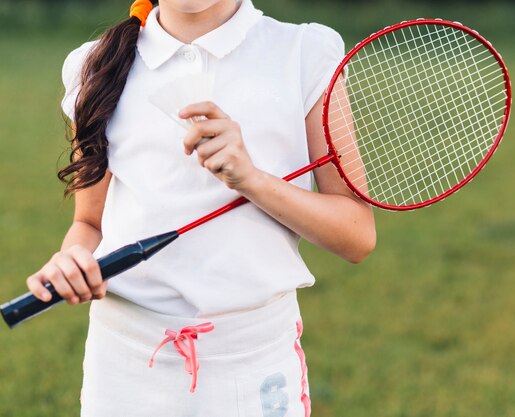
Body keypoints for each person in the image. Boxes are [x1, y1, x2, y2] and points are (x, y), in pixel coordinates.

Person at [25, 0, 376, 415]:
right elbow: (88, 222)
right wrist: (72, 261)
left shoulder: (304, 52)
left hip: (253, 371)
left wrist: (253, 180)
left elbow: (356, 235)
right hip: (122, 372)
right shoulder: (94, 65)